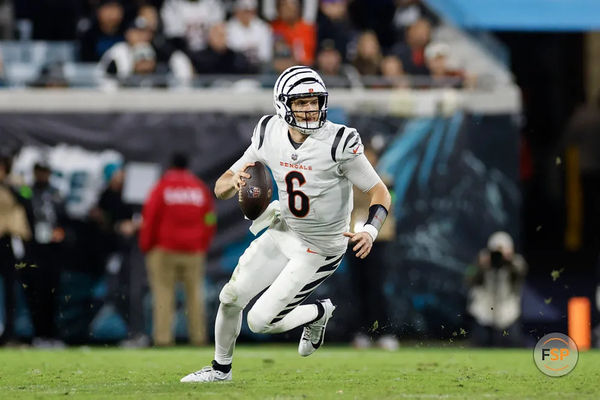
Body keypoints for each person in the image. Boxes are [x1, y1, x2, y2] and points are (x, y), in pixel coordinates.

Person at [180, 66, 391, 383]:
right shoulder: (268, 132)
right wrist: (234, 182)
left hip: (319, 248)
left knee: (260, 321)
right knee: (230, 298)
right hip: (283, 229)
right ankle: (221, 370)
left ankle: (319, 312)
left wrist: (370, 230)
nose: (309, 110)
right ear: (282, 105)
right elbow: (222, 185)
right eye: (301, 103)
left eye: (314, 102)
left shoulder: (338, 142)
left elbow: (379, 192)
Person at [139, 153, 216, 347]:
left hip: (165, 250)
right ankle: (198, 338)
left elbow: (150, 219)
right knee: (195, 295)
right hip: (194, 250)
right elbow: (210, 219)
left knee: (164, 294)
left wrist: (146, 245)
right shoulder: (199, 188)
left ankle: (163, 339)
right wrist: (203, 242)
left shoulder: (162, 187)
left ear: (170, 166)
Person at [465, 231, 528, 347]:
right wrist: (480, 266)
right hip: (483, 314)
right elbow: (468, 277)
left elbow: (521, 271)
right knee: (478, 348)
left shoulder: (516, 262)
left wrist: (509, 260)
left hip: (508, 314)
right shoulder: (482, 260)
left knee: (513, 348)